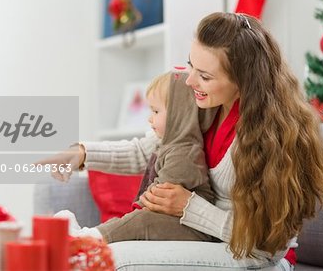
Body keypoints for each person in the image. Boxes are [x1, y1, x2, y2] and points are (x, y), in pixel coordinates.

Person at [38, 12, 323, 268]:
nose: (190, 80)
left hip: (257, 257)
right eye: (190, 64)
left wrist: (188, 206)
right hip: (204, 237)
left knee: (111, 259)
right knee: (102, 253)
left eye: (205, 76)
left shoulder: (276, 136)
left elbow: (265, 246)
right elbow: (149, 150)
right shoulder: (202, 103)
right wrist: (81, 153)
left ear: (244, 82)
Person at [56, 70, 217, 242]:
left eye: (155, 112)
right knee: (136, 221)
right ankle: (89, 234)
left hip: (193, 228)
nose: (149, 119)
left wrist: (131, 218)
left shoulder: (185, 153)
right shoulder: (170, 145)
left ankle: (89, 237)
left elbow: (158, 196)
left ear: (179, 116)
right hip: (177, 221)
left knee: (141, 221)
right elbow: (139, 152)